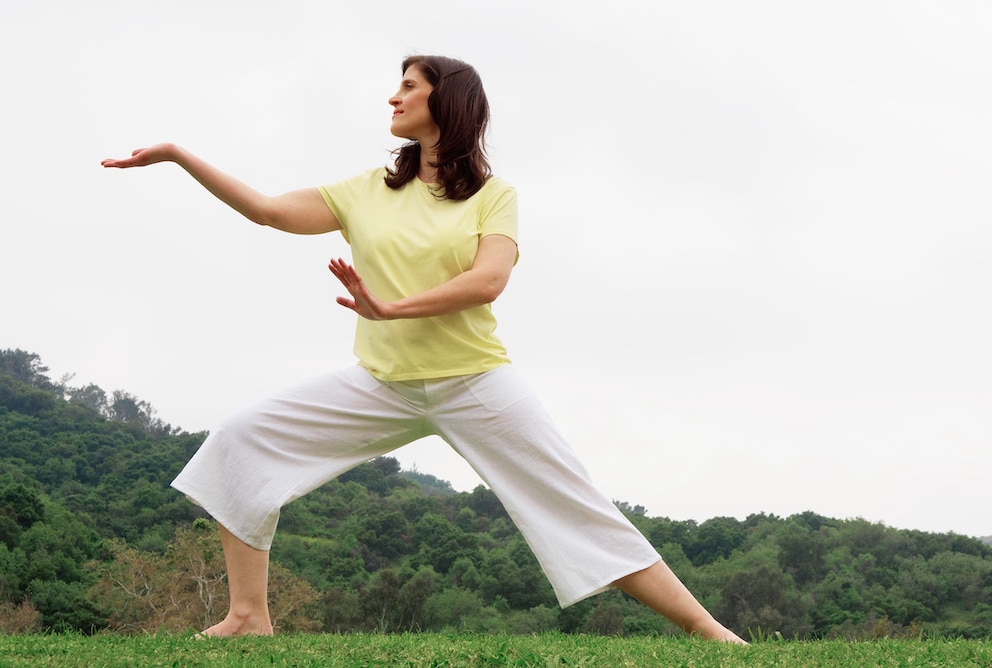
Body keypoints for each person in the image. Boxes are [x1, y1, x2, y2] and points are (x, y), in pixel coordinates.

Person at [102, 55, 746, 644]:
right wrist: (181, 157)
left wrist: (392, 307)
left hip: (474, 382)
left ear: (449, 102)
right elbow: (269, 210)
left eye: (408, 86)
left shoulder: (495, 197)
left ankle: (707, 630)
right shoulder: (368, 190)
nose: (393, 97)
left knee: (577, 505)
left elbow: (488, 279)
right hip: (383, 382)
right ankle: (248, 617)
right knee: (239, 441)